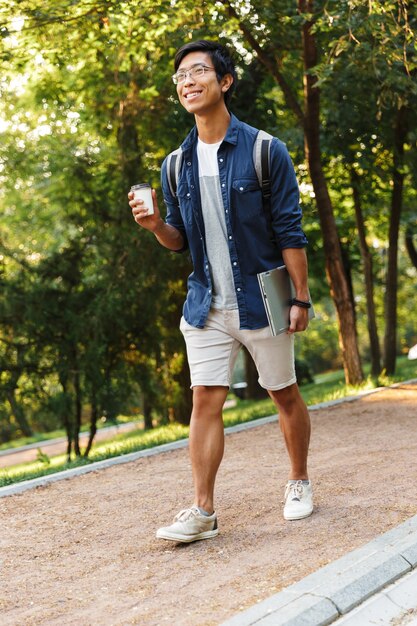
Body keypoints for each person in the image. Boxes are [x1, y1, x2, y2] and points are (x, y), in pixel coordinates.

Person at [129, 40, 313, 543]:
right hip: (206, 302)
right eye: (180, 76)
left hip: (263, 294)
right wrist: (152, 226)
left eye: (198, 72)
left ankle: (298, 480)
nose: (188, 82)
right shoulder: (175, 164)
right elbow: (178, 240)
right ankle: (203, 511)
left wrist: (300, 297)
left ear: (225, 82)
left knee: (283, 393)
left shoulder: (263, 150)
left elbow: (289, 230)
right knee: (205, 400)